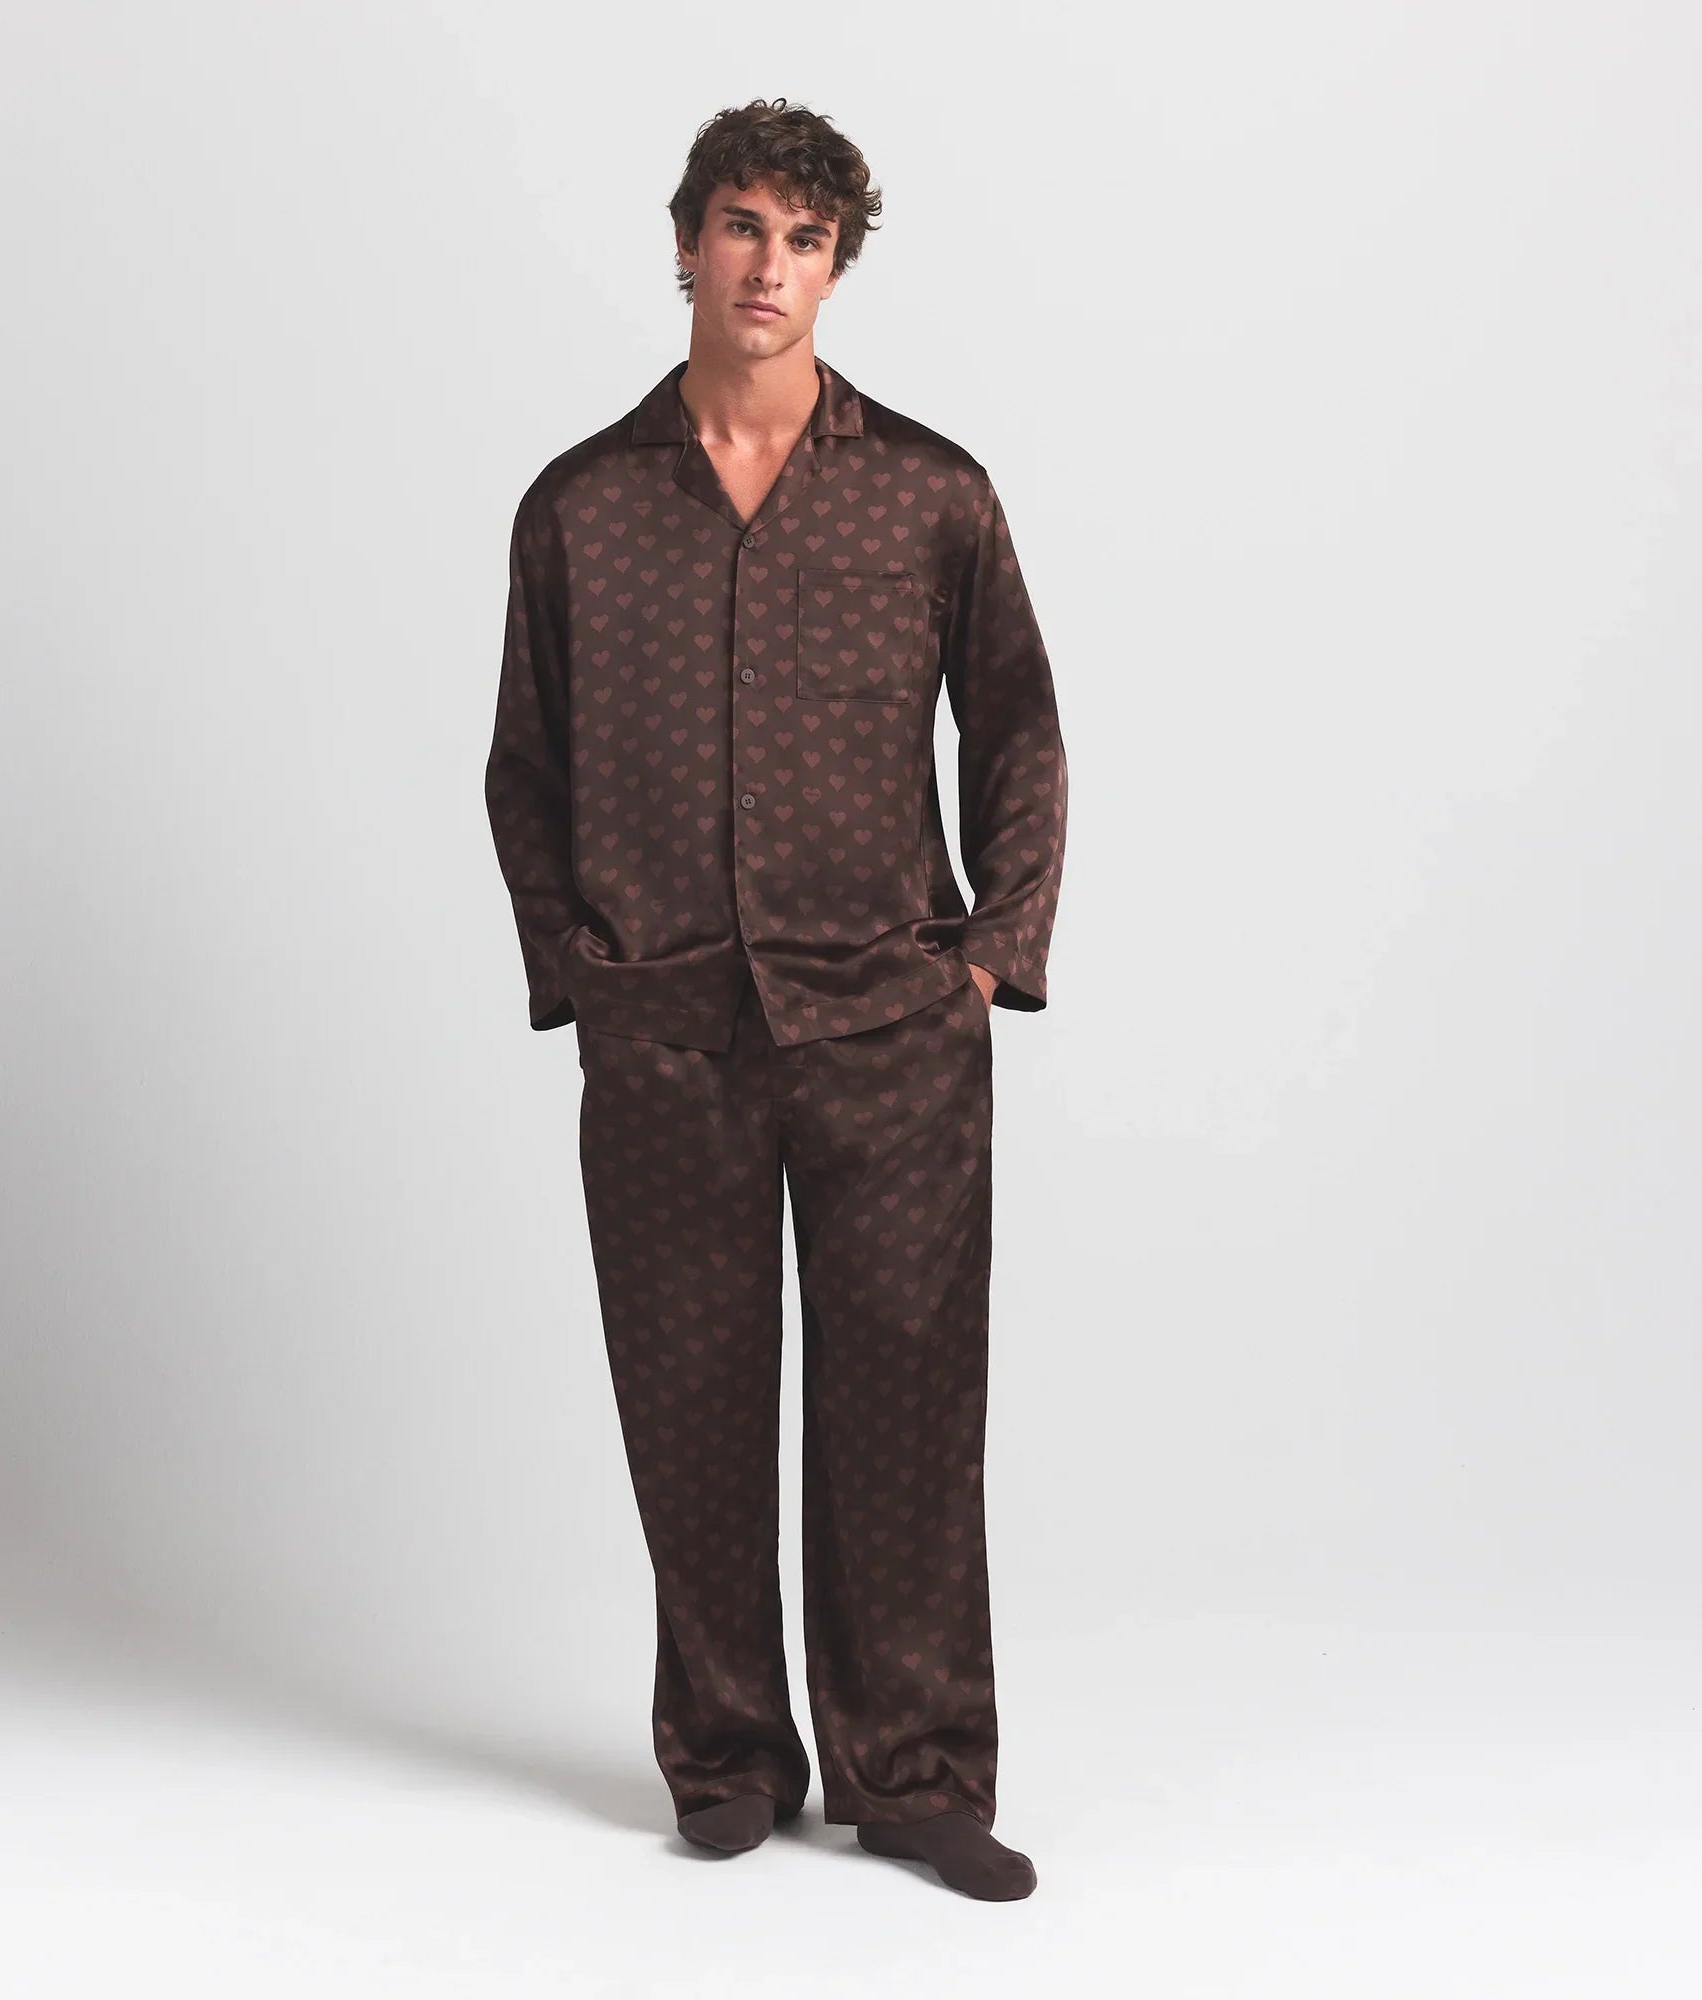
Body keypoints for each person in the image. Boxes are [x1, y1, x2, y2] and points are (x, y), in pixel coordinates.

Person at [484, 97, 1067, 1902]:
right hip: (666, 1034)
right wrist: (582, 976)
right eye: (742, 226)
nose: (768, 266)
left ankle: (915, 1776)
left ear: (836, 269)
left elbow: (1021, 727)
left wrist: (991, 951)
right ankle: (729, 1754)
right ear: (687, 244)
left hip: (891, 1032)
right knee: (693, 1406)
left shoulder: (932, 494)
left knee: (907, 1407)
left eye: (805, 239)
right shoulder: (581, 508)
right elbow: (525, 769)